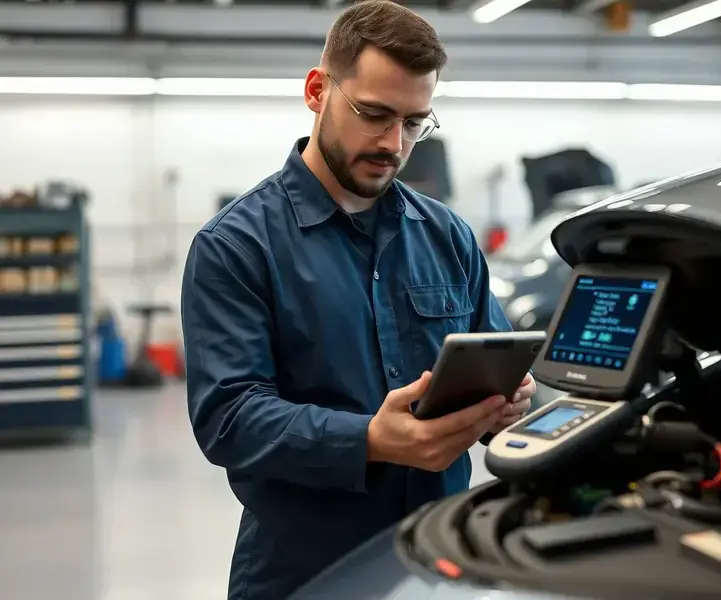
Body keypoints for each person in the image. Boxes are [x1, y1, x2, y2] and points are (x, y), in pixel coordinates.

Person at [180, 1, 537, 599]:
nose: (394, 143)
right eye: (374, 114)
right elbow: (229, 417)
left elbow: (492, 356)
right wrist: (370, 439)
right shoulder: (236, 246)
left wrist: (507, 403)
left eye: (416, 122)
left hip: (437, 559)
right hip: (304, 570)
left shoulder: (447, 235)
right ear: (318, 90)